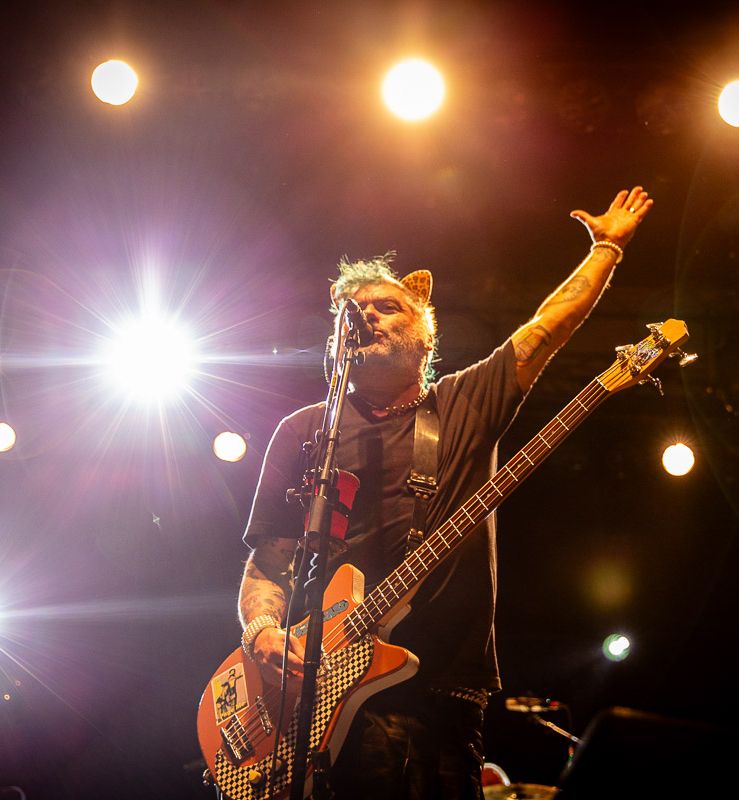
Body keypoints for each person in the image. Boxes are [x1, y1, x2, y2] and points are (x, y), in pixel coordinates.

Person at [238, 187, 653, 799]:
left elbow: (546, 330)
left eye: (386, 307)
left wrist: (606, 249)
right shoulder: (303, 432)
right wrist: (263, 632)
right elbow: (268, 564)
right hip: (311, 700)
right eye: (353, 312)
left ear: (426, 336)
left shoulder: (462, 404)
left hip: (437, 692)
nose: (366, 316)